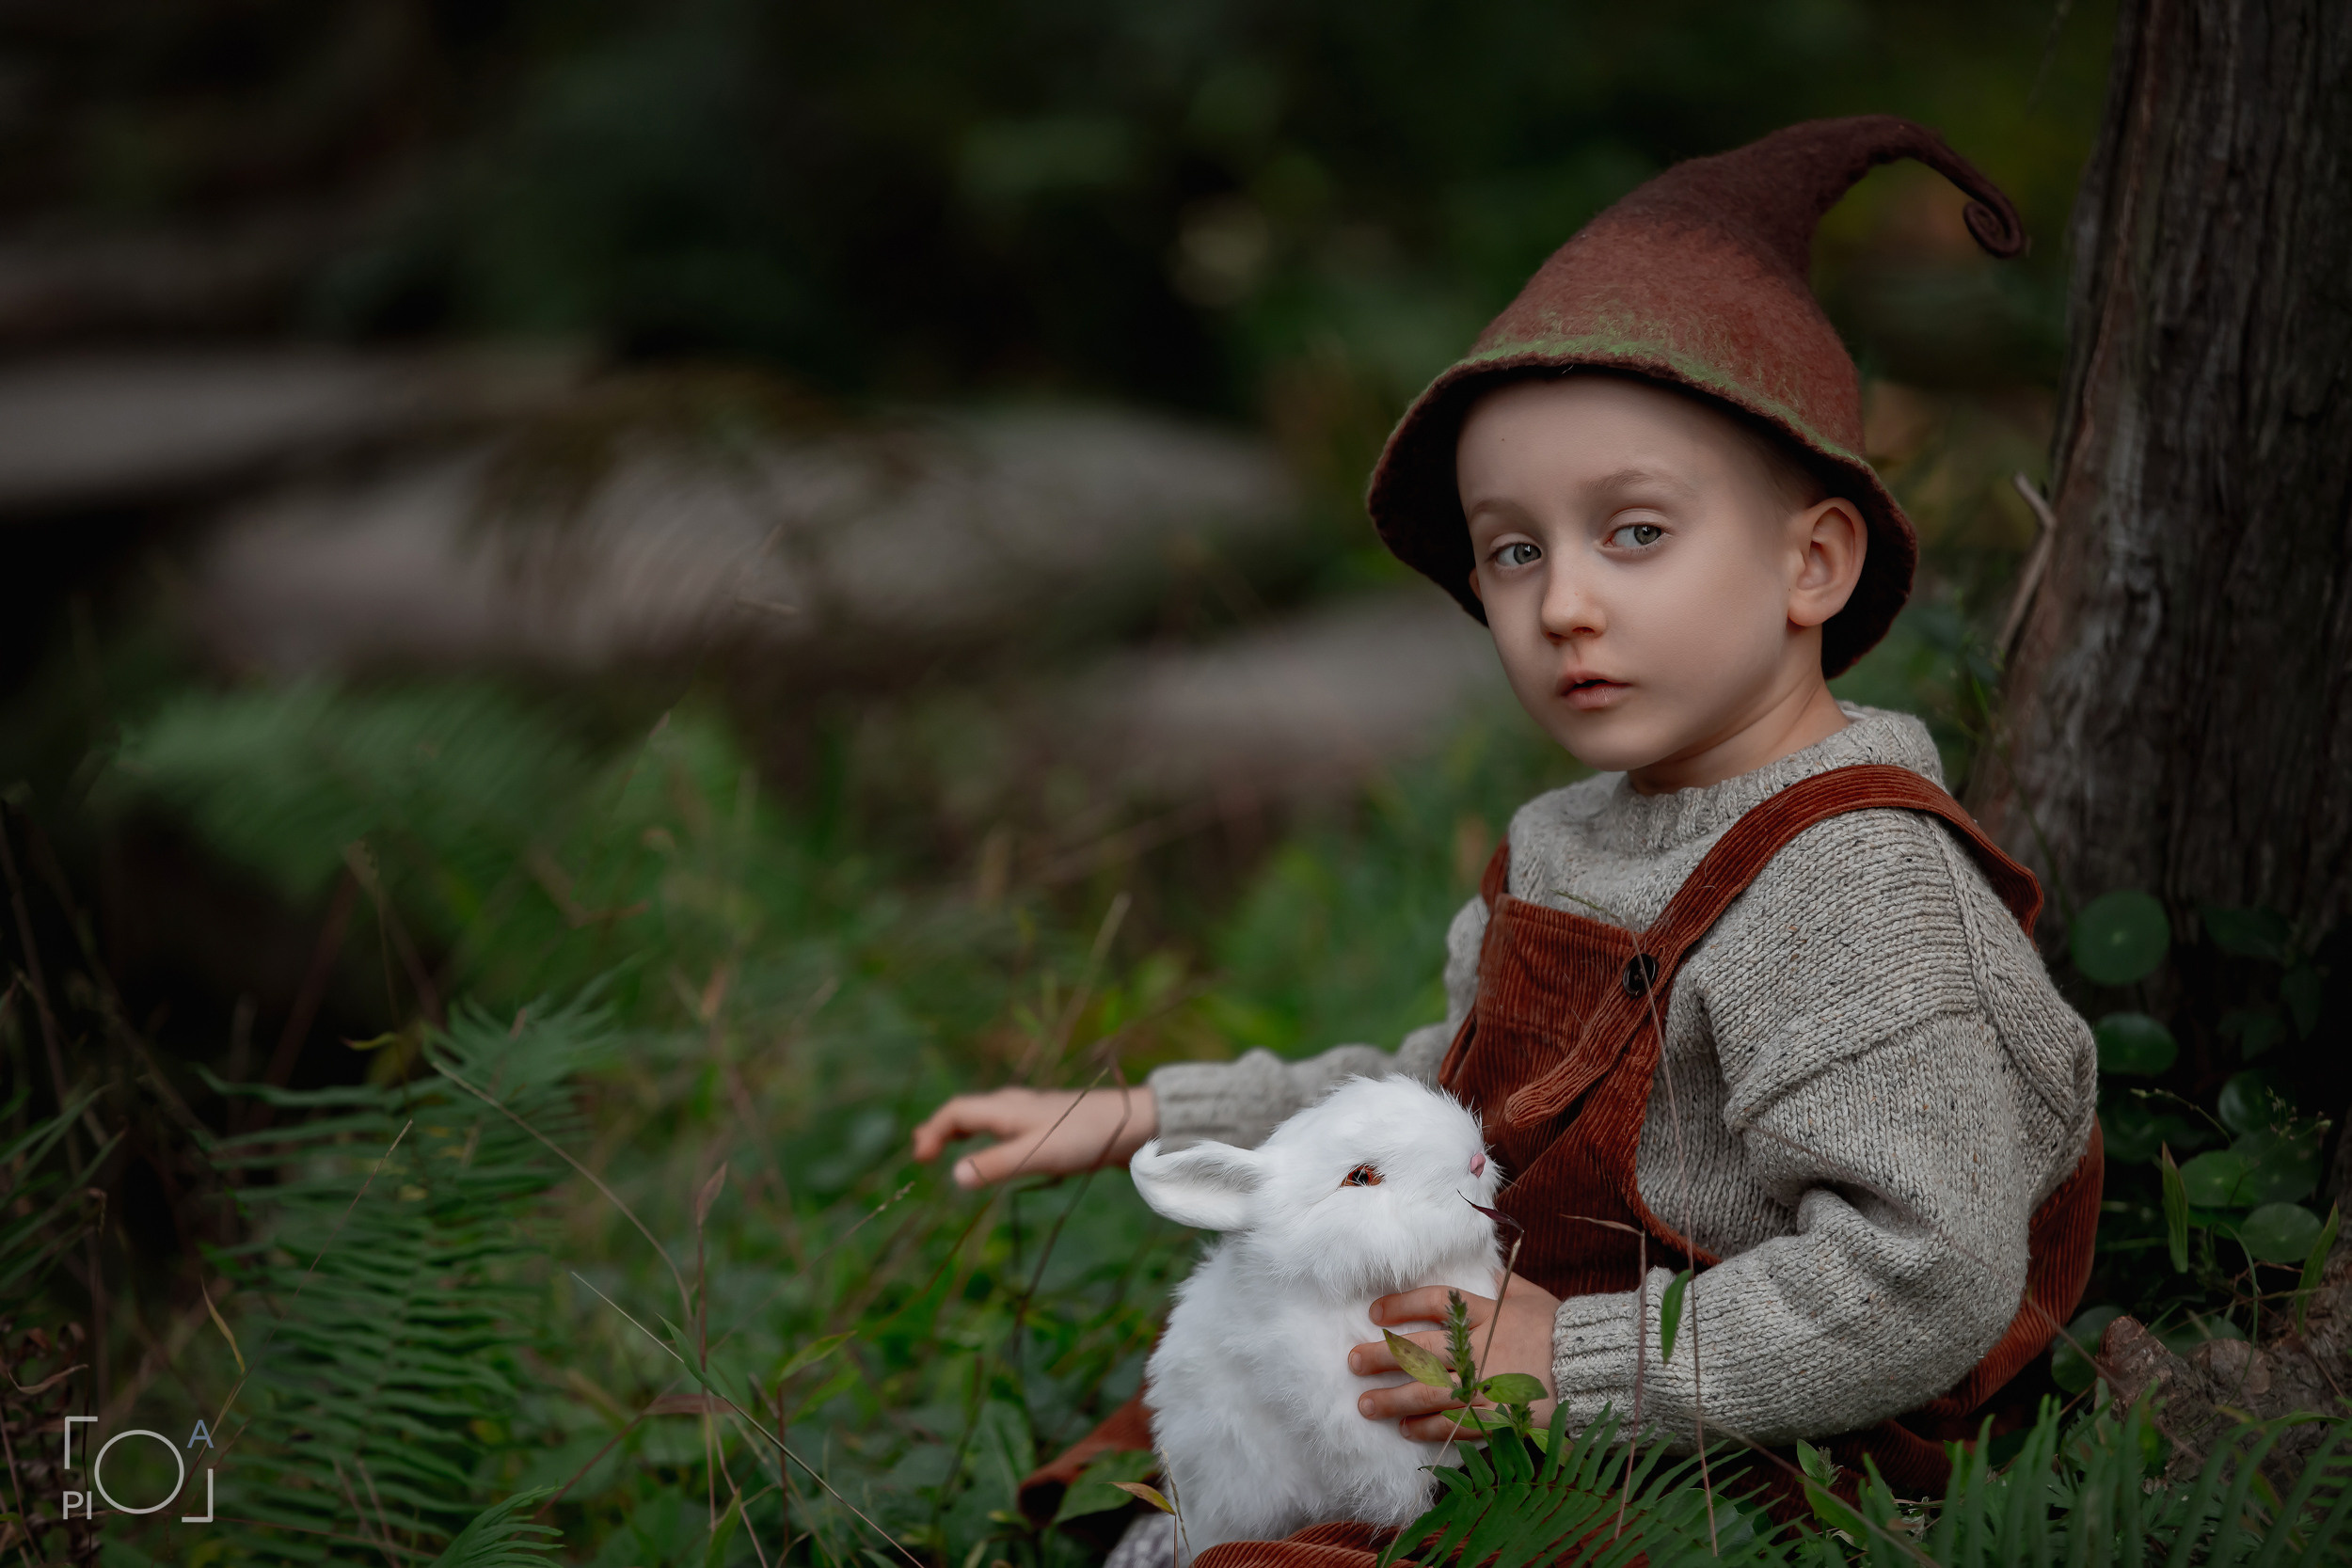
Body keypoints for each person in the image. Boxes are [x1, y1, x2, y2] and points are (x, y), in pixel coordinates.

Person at [912, 115, 2100, 1548]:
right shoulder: (1565, 843)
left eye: (1636, 532)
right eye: (1514, 549)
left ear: (1813, 560)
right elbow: (1431, 1110)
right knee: (1192, 1457)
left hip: (1734, 1447)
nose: (1563, 605)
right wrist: (1152, 1117)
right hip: (1497, 1365)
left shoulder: (1856, 882)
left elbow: (1926, 1277)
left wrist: (1568, 1371)